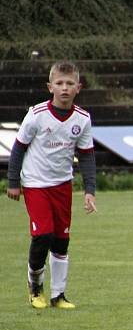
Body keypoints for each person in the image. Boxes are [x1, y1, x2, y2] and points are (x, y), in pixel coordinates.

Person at [6, 61, 97, 309]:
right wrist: (13, 182)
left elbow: (87, 156)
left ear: (78, 87)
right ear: (50, 87)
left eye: (69, 84)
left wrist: (90, 191)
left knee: (61, 240)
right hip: (35, 184)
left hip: (62, 185)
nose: (64, 88)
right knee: (42, 235)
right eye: (59, 83)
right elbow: (18, 148)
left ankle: (59, 296)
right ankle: (35, 288)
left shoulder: (83, 119)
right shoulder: (36, 115)